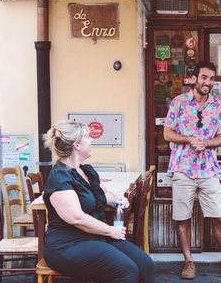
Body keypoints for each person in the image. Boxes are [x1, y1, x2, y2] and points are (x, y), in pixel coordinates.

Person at [43, 120, 156, 283]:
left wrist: (119, 201)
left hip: (95, 237)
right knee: (127, 271)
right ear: (77, 145)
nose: (92, 140)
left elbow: (105, 194)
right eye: (88, 137)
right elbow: (76, 218)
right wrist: (110, 230)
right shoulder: (60, 177)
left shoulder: (86, 171)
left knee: (145, 265)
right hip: (67, 245)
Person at [163, 61, 221, 279]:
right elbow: (167, 134)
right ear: (194, 79)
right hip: (182, 168)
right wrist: (189, 139)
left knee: (218, 216)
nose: (208, 82)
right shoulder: (178, 103)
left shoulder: (218, 106)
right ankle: (189, 262)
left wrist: (206, 143)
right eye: (204, 78)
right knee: (183, 218)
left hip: (209, 169)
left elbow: (220, 137)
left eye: (211, 79)